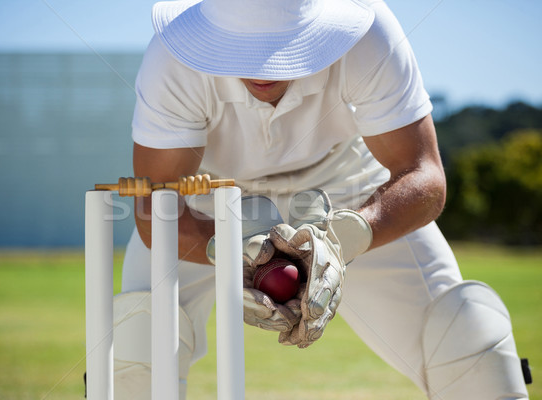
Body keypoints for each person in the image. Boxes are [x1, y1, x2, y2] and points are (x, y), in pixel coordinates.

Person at [112, 0, 530, 398]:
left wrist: (346, 236)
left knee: (465, 338)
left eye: (279, 48)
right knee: (137, 350)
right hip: (212, 195)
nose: (262, 66)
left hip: (345, 186)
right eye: (243, 48)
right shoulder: (173, 57)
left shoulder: (367, 34)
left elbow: (426, 177)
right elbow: (154, 204)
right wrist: (228, 249)